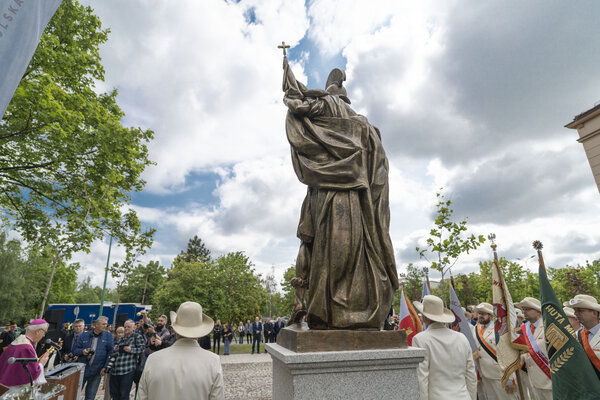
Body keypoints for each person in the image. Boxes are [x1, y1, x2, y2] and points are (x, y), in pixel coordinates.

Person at [282, 55, 398, 329]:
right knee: (357, 250)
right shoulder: (364, 124)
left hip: (323, 193)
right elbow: (379, 171)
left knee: (312, 243)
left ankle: (313, 306)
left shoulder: (323, 108)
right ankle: (351, 309)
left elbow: (296, 105)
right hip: (357, 197)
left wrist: (291, 89)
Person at [137, 301, 224, 400]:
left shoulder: (153, 359)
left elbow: (141, 396)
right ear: (200, 332)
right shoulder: (213, 361)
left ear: (175, 329)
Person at [412, 295, 476, 400]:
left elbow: (422, 379)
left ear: (424, 317)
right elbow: (471, 375)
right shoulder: (461, 337)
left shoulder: (420, 339)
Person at [473, 302, 518, 400]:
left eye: (483, 313)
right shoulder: (476, 328)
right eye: (479, 313)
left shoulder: (500, 328)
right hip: (484, 373)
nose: (480, 316)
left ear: (490, 315)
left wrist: (510, 378)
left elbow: (508, 352)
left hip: (500, 374)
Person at [515, 297, 552, 399]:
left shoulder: (549, 326)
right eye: (523, 309)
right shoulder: (524, 328)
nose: (524, 312)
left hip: (549, 381)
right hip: (533, 380)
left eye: (527, 309)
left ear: (538, 311)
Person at [73, 316, 114, 400]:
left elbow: (110, 353)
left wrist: (105, 367)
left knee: (90, 396)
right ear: (96, 324)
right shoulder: (84, 335)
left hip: (97, 371)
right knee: (75, 394)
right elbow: (75, 350)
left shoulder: (108, 336)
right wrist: (82, 351)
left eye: (106, 324)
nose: (105, 326)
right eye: (103, 324)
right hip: (82, 370)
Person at [0, 319, 50, 386]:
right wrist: (41, 363)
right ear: (38, 331)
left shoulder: (20, 341)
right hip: (13, 389)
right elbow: (31, 374)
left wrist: (36, 362)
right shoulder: (26, 347)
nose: (44, 335)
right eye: (44, 332)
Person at [564, 294, 600, 378]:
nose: (576, 313)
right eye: (575, 310)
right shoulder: (576, 335)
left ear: (594, 313)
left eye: (580, 310)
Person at [109, 319, 145, 400]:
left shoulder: (137, 336)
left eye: (129, 327)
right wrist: (115, 350)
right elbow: (119, 352)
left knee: (124, 394)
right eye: (125, 327)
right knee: (114, 394)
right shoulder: (121, 338)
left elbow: (142, 349)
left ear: (134, 328)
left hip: (127, 370)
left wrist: (131, 349)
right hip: (115, 371)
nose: (126, 328)